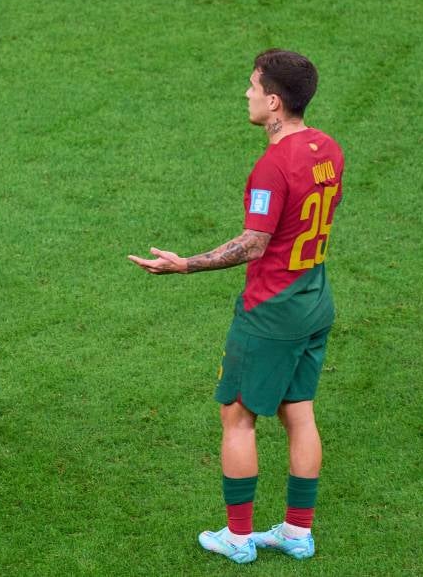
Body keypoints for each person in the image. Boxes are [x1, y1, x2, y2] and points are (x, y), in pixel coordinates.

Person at [129, 49, 343, 564]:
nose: (245, 94)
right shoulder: (328, 148)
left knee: (238, 415)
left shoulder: (274, 165)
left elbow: (253, 243)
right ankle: (296, 532)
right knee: (299, 411)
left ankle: (239, 537)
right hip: (315, 297)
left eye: (252, 87)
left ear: (274, 101)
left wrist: (186, 265)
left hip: (272, 307)